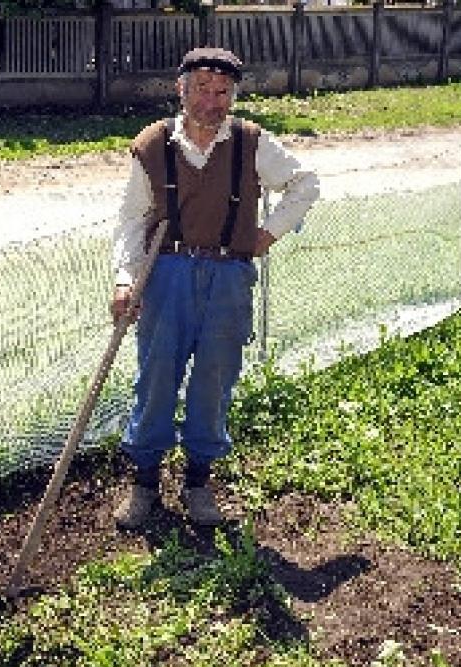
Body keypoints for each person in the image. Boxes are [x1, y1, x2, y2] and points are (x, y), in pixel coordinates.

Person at [111, 47, 319, 528]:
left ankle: (199, 482)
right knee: (156, 375)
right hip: (167, 274)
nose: (212, 99)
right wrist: (126, 279)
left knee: (214, 379)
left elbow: (305, 184)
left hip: (229, 275)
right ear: (181, 90)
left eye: (222, 90)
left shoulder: (251, 142)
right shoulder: (153, 145)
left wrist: (267, 233)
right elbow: (131, 219)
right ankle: (144, 483)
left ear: (233, 95)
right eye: (201, 88)